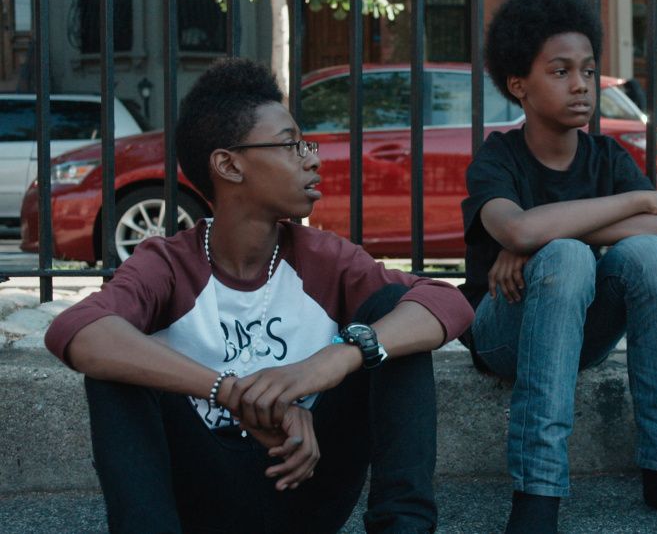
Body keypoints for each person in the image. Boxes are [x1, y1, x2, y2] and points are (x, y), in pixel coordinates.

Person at [44, 57, 474, 533]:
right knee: (112, 358)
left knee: (393, 319)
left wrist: (333, 360)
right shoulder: (168, 263)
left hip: (306, 481)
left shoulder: (322, 257)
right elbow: (75, 329)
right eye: (291, 146)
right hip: (201, 494)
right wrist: (231, 394)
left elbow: (446, 300)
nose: (312, 158)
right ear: (229, 164)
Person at [459, 0, 657, 533]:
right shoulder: (498, 157)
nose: (581, 85)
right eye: (560, 71)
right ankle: (537, 494)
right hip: (503, 333)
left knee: (648, 257)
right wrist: (634, 198)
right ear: (520, 85)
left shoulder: (606, 155)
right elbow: (515, 226)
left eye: (588, 70)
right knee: (564, 256)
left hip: (582, 331)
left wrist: (546, 239)